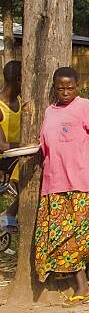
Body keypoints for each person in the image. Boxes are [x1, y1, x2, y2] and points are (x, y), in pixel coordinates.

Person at [34, 66, 89, 304]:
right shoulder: (48, 112)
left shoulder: (86, 107)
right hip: (55, 183)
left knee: (83, 234)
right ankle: (85, 281)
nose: (65, 92)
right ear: (54, 87)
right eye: (60, 87)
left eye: (70, 87)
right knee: (66, 235)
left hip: (81, 180)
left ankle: (86, 280)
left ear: (78, 85)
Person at [0, 60, 21, 232]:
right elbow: (2, 145)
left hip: (19, 154)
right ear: (19, 80)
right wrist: (25, 145)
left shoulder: (22, 102)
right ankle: (9, 213)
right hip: (4, 159)